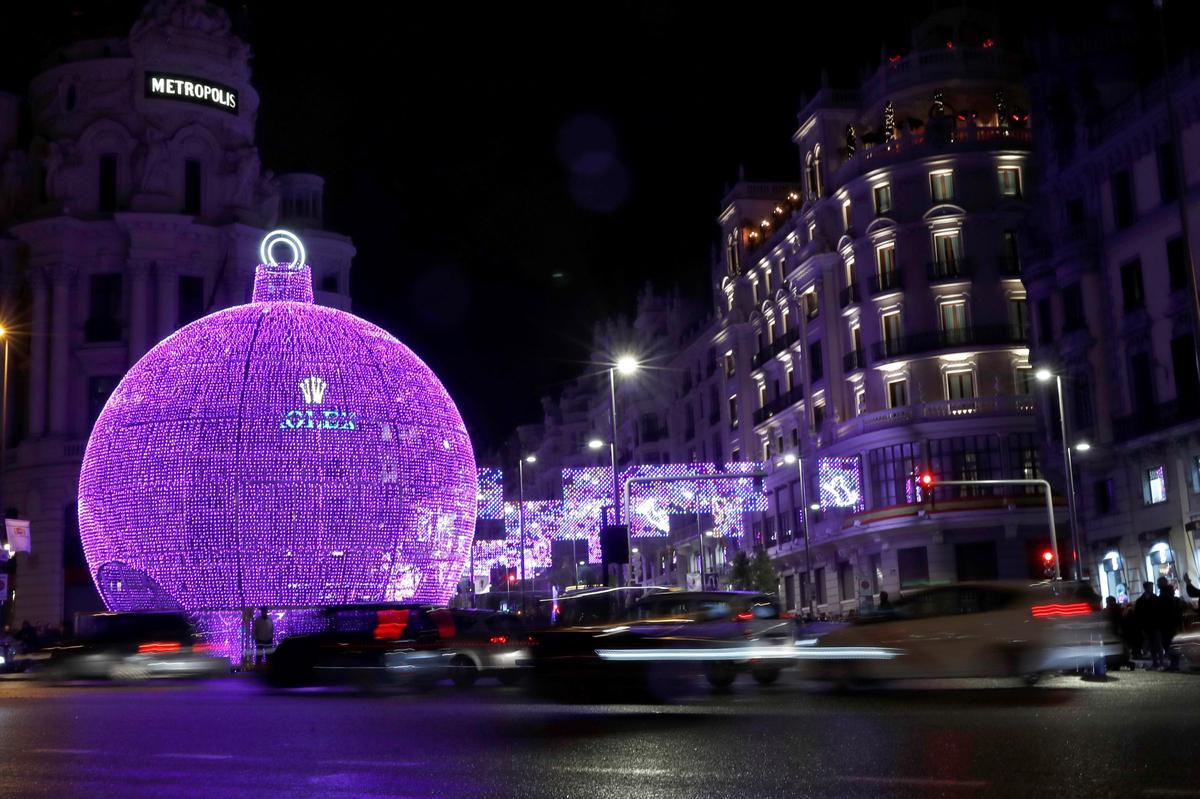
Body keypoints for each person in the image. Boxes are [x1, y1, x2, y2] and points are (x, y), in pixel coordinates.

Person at [1156, 584, 1184, 671]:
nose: (1174, 592)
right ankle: (1175, 663)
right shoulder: (1175, 600)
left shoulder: (1162, 600)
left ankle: (1174, 664)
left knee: (1169, 645)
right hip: (1171, 626)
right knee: (1172, 645)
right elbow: (1179, 613)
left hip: (1166, 626)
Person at [1134, 582, 1160, 668]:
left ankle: (1158, 661)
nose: (1151, 589)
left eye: (1151, 587)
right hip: (1148, 625)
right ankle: (1156, 661)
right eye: (1150, 587)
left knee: (1156, 644)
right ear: (1146, 588)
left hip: (1154, 624)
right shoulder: (1142, 600)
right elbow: (1138, 614)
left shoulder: (1153, 598)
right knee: (1153, 644)